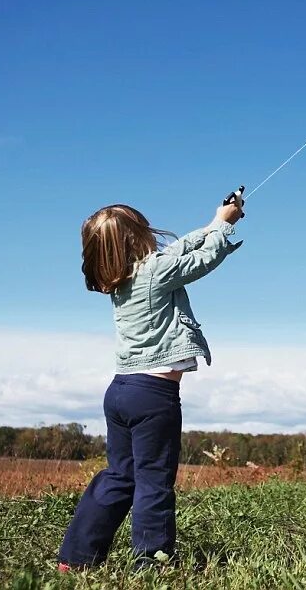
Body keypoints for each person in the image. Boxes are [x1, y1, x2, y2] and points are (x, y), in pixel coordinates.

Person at [57, 198, 244, 570]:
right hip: (153, 396)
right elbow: (201, 261)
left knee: (119, 476)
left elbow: (177, 249)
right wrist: (224, 228)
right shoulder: (155, 272)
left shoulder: (120, 280)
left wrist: (213, 221)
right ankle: (150, 562)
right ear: (136, 238)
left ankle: (76, 558)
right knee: (154, 481)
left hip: (121, 391)